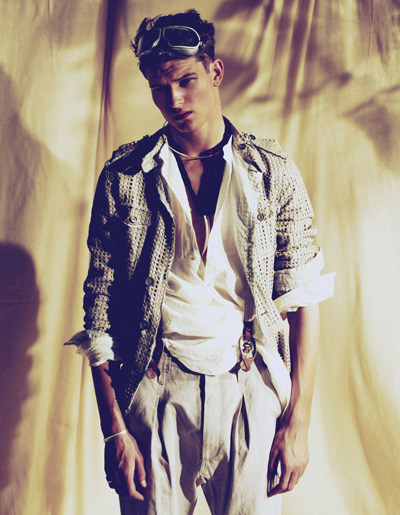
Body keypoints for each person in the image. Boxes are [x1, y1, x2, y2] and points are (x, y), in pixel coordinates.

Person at [66, 9, 334, 515]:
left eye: (186, 80)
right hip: (155, 387)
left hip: (248, 386)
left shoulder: (271, 172)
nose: (174, 100)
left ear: (215, 71)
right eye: (159, 88)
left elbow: (303, 300)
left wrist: (297, 424)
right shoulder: (125, 176)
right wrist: (115, 431)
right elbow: (100, 309)